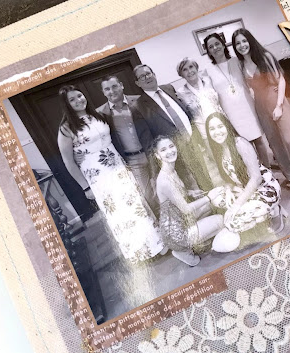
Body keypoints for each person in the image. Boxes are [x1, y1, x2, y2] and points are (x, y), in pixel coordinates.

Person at [56, 85, 164, 263]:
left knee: (135, 205)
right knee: (118, 213)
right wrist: (85, 187)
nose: (78, 101)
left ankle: (155, 244)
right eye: (72, 100)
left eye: (79, 96)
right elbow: (68, 161)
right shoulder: (66, 129)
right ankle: (139, 253)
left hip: (117, 166)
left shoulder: (97, 116)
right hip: (97, 174)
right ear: (66, 105)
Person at [232, 28, 290, 199]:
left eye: (244, 41)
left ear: (250, 40)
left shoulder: (265, 57)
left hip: (277, 101)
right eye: (238, 43)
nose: (242, 45)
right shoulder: (241, 65)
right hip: (260, 106)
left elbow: (281, 80)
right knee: (275, 143)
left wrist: (279, 105)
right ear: (235, 47)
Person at [206, 112, 282, 253]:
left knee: (234, 222)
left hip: (264, 188)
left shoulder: (240, 143)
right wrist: (228, 190)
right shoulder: (218, 148)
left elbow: (256, 178)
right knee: (215, 198)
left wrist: (236, 205)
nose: (217, 132)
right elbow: (228, 177)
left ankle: (274, 211)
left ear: (227, 126)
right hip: (243, 188)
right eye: (212, 129)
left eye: (220, 126)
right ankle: (256, 216)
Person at [133, 64, 213, 191]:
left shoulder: (168, 88)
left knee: (206, 176)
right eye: (142, 77)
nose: (147, 77)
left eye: (148, 73)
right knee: (189, 186)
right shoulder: (137, 107)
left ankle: (213, 196)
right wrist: (159, 163)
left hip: (192, 140)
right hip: (173, 152)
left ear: (154, 74)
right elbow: (147, 141)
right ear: (137, 83)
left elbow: (185, 111)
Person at [203, 32, 273, 168]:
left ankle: (267, 170)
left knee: (258, 140)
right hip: (231, 113)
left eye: (217, 44)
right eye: (211, 47)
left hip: (247, 107)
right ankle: (256, 170)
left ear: (223, 45)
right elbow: (210, 95)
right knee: (244, 144)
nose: (215, 48)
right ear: (208, 52)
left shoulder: (237, 61)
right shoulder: (208, 71)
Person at [154, 136, 224, 266]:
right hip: (177, 235)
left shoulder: (171, 170)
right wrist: (209, 197)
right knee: (220, 220)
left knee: (212, 206)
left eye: (171, 146)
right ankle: (183, 250)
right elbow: (186, 209)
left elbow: (175, 196)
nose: (169, 151)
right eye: (163, 150)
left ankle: (198, 240)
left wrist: (190, 192)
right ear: (157, 156)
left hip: (182, 221)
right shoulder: (164, 180)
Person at [95, 75, 156, 208]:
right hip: (132, 160)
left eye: (114, 86)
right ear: (103, 92)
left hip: (152, 152)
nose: (112, 91)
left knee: (166, 185)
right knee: (147, 196)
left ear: (121, 85)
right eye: (107, 89)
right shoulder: (100, 113)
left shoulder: (138, 100)